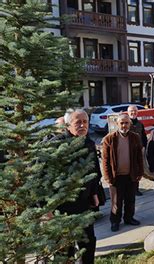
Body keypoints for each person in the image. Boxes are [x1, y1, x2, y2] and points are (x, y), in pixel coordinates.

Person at [55, 109, 101, 263]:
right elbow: (42, 176)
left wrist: (94, 193)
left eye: (85, 122)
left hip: (84, 203)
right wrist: (45, 208)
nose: (83, 125)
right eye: (78, 122)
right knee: (64, 249)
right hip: (62, 207)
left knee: (88, 243)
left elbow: (95, 171)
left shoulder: (89, 143)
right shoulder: (56, 144)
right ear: (68, 125)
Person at [102, 114, 144, 232]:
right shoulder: (109, 139)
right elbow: (105, 161)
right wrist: (108, 178)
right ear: (117, 124)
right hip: (116, 177)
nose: (124, 125)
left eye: (126, 123)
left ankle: (129, 218)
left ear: (130, 124)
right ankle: (115, 221)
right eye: (122, 123)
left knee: (130, 199)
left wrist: (140, 172)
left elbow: (139, 157)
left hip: (130, 175)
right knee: (116, 202)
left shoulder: (135, 137)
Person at [127, 105, 147, 196]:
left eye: (135, 111)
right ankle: (129, 189)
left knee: (138, 170)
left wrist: (144, 147)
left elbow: (144, 137)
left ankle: (136, 189)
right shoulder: (126, 123)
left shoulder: (140, 124)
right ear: (128, 112)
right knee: (129, 170)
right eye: (131, 111)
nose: (133, 113)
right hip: (127, 151)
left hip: (138, 150)